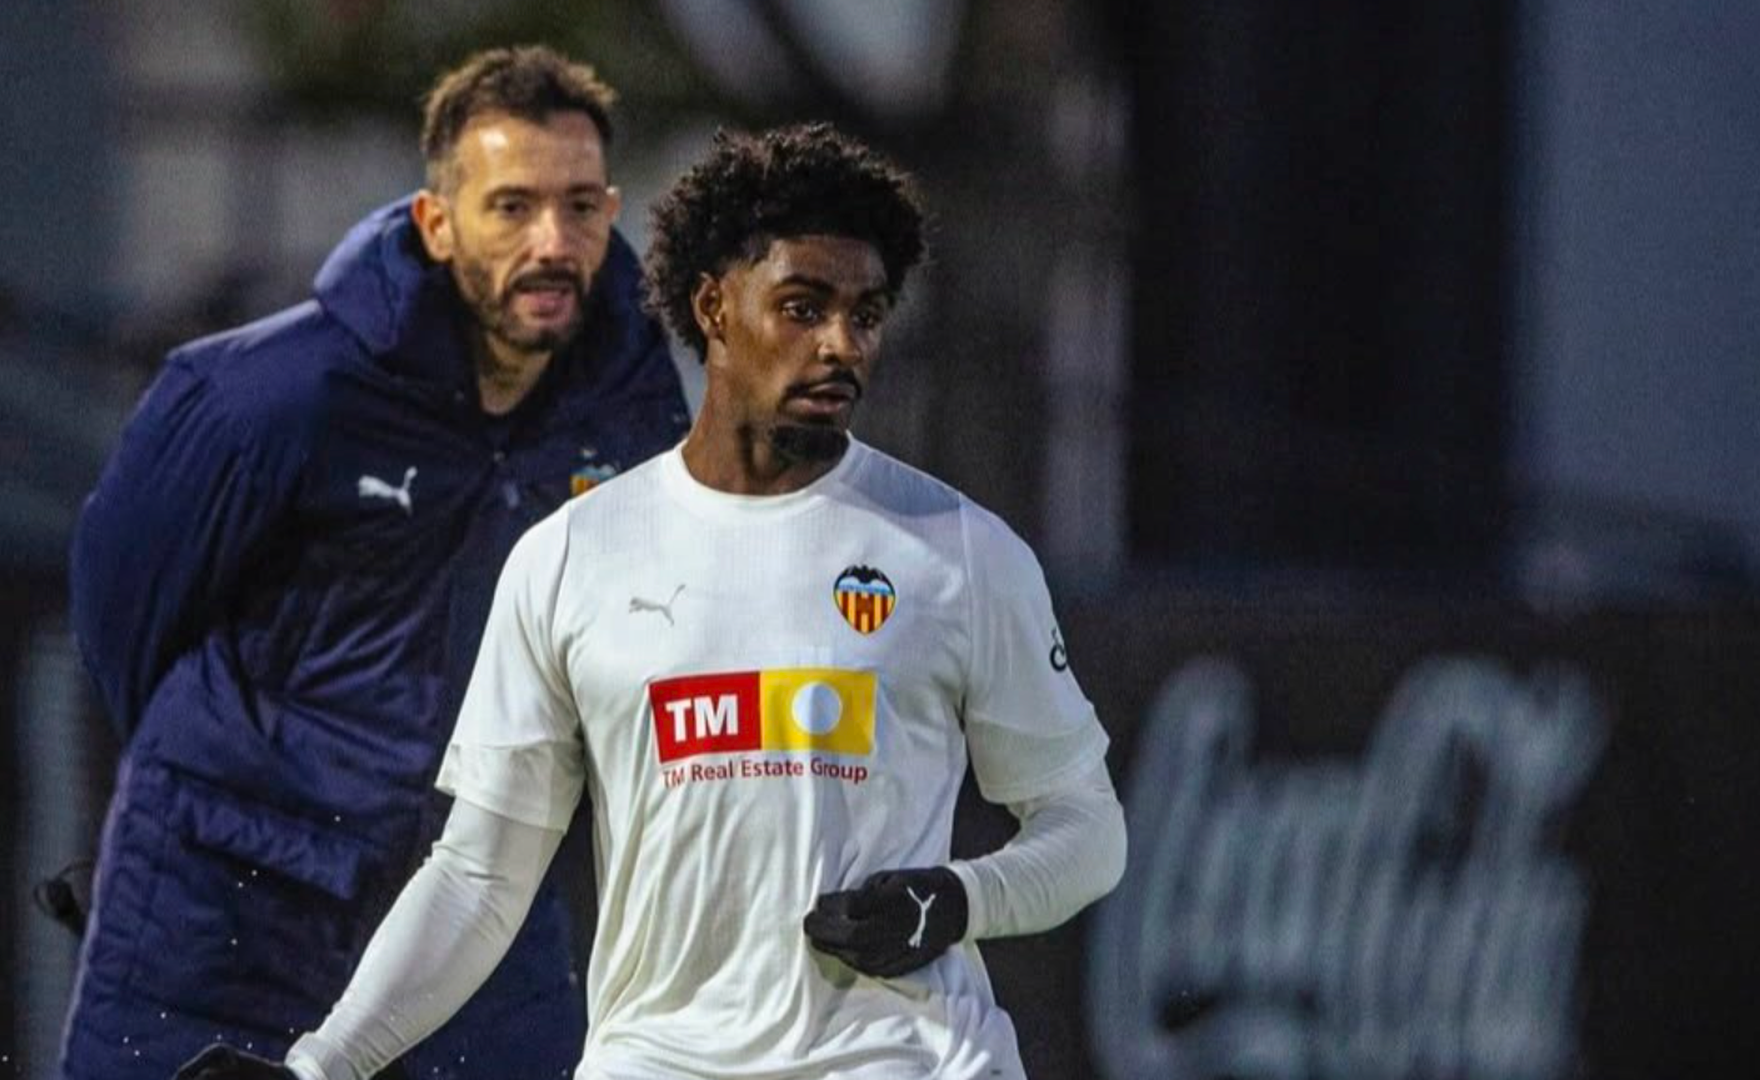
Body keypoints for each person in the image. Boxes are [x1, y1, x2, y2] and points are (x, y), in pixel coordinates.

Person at [174, 122, 1125, 1080]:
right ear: (714, 307)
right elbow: (479, 880)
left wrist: (956, 900)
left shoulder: (959, 550)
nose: (842, 346)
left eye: (866, 314)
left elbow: (1088, 831)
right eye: (803, 307)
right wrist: (317, 1069)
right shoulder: (571, 559)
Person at [59, 45, 690, 1080]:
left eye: (581, 208)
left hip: (482, 903)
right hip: (227, 903)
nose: (553, 242)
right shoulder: (269, 393)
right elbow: (123, 607)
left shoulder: (633, 408)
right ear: (435, 223)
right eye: (512, 207)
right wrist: (201, 796)